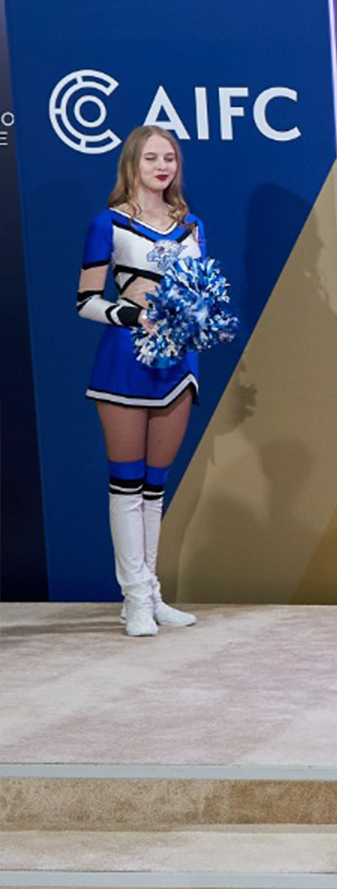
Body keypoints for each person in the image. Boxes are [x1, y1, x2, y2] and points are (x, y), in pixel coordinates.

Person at [77, 125, 205, 637]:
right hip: (125, 361)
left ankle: (152, 594)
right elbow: (86, 301)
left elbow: (201, 290)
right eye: (151, 157)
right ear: (132, 163)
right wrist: (134, 316)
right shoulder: (107, 223)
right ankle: (133, 600)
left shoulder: (190, 224)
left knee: (155, 486)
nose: (162, 166)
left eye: (169, 157)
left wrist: (198, 317)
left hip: (178, 363)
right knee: (127, 483)